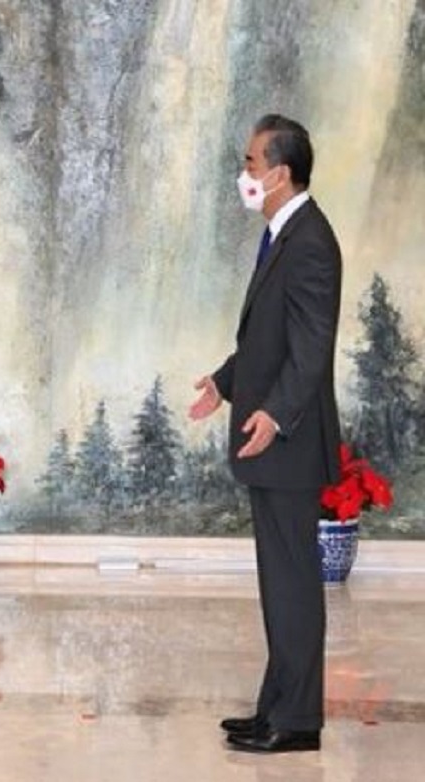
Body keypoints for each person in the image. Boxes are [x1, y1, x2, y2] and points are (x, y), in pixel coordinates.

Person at [190, 114, 342, 754]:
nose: (243, 174)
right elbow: (265, 340)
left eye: (250, 163)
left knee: (293, 583)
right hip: (273, 441)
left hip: (288, 443)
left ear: (279, 174)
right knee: (280, 582)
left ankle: (298, 721)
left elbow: (310, 349)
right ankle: (275, 707)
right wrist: (225, 383)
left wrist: (275, 415)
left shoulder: (309, 242)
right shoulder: (285, 234)